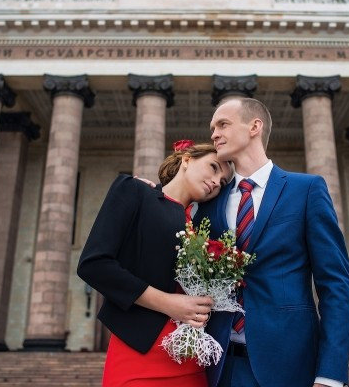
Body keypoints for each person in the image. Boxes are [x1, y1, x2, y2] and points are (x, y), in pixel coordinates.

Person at [198, 98, 349, 387]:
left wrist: (330, 374)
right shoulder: (210, 201)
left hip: (290, 365)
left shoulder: (306, 189)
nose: (214, 134)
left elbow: (335, 285)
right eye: (212, 128)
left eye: (223, 124)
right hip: (220, 368)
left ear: (254, 127)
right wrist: (150, 195)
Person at [77, 142, 233, 387]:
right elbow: (93, 264)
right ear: (187, 159)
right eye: (213, 167)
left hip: (192, 361)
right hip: (138, 354)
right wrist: (169, 303)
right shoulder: (135, 191)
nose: (215, 182)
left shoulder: (203, 225)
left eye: (222, 182)